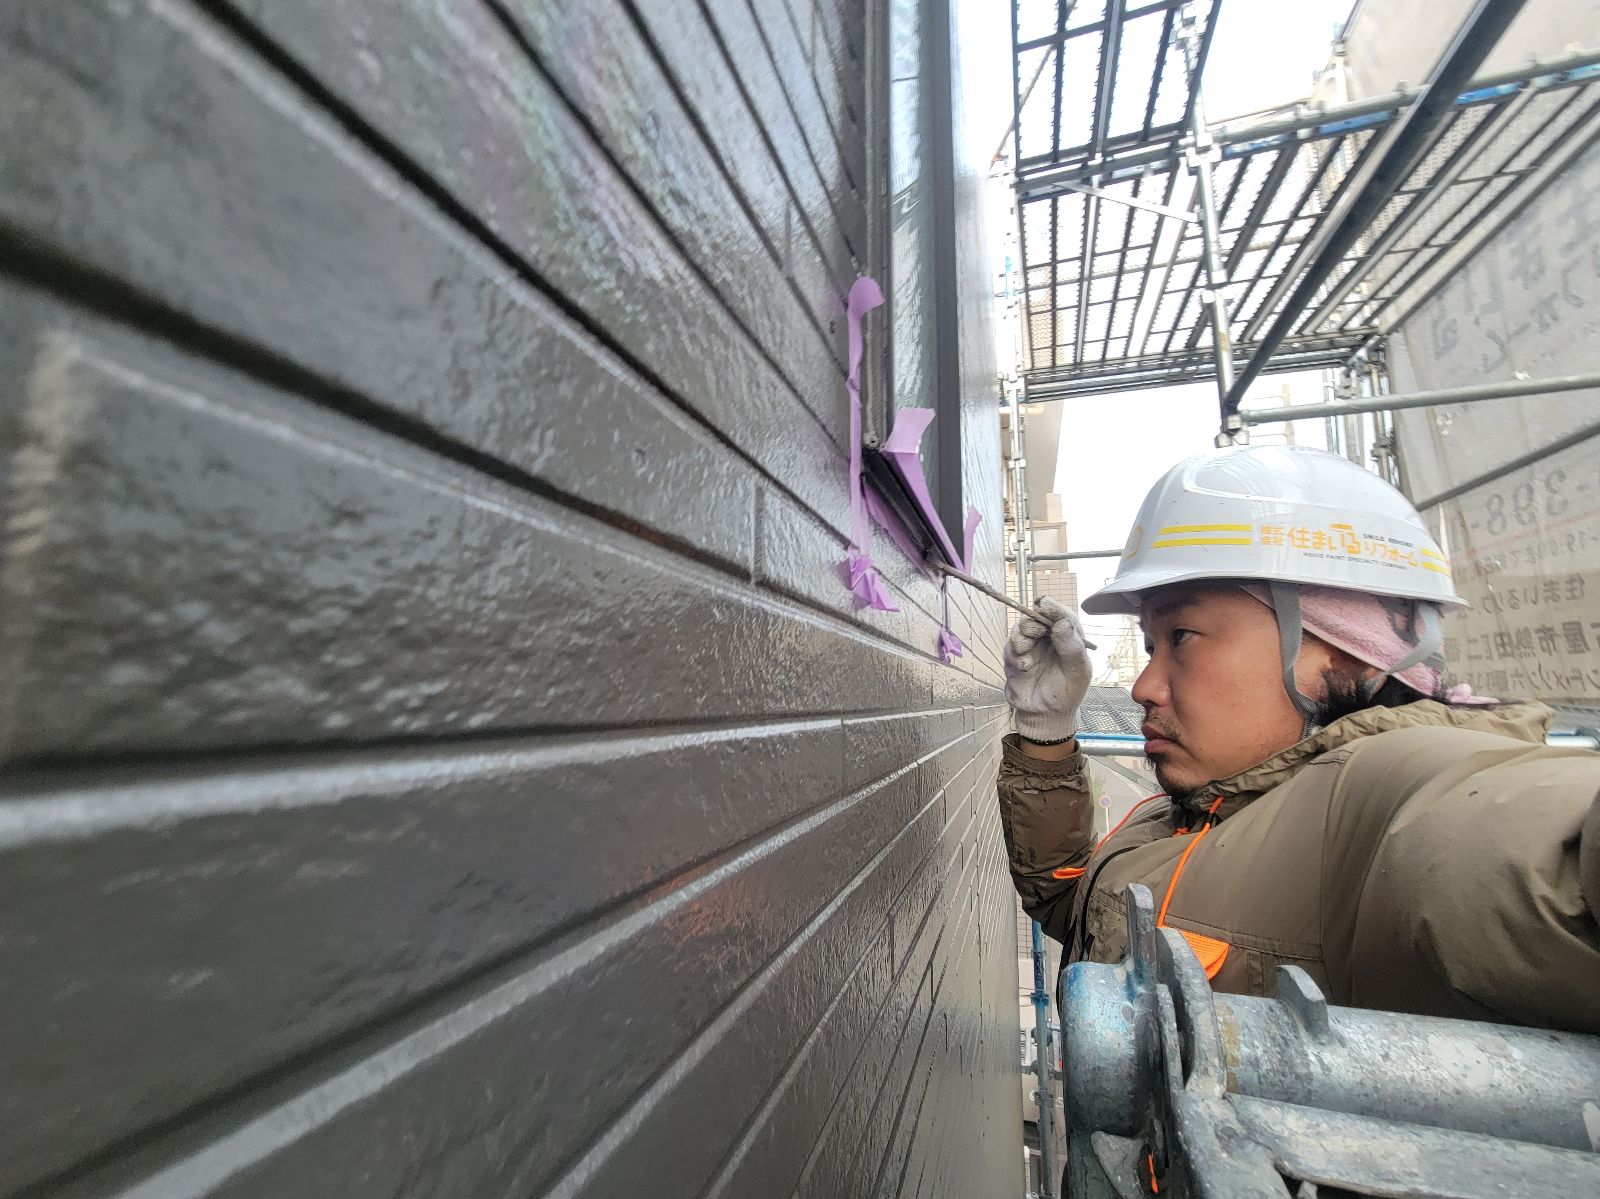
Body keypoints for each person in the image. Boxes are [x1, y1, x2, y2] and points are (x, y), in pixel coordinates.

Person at [998, 444, 1600, 1034]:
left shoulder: (1378, 796)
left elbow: (1532, 847)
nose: (1144, 685)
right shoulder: (1194, 811)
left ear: (1340, 650)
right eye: (1150, 645)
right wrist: (1046, 734)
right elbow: (1074, 906)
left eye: (1180, 636)